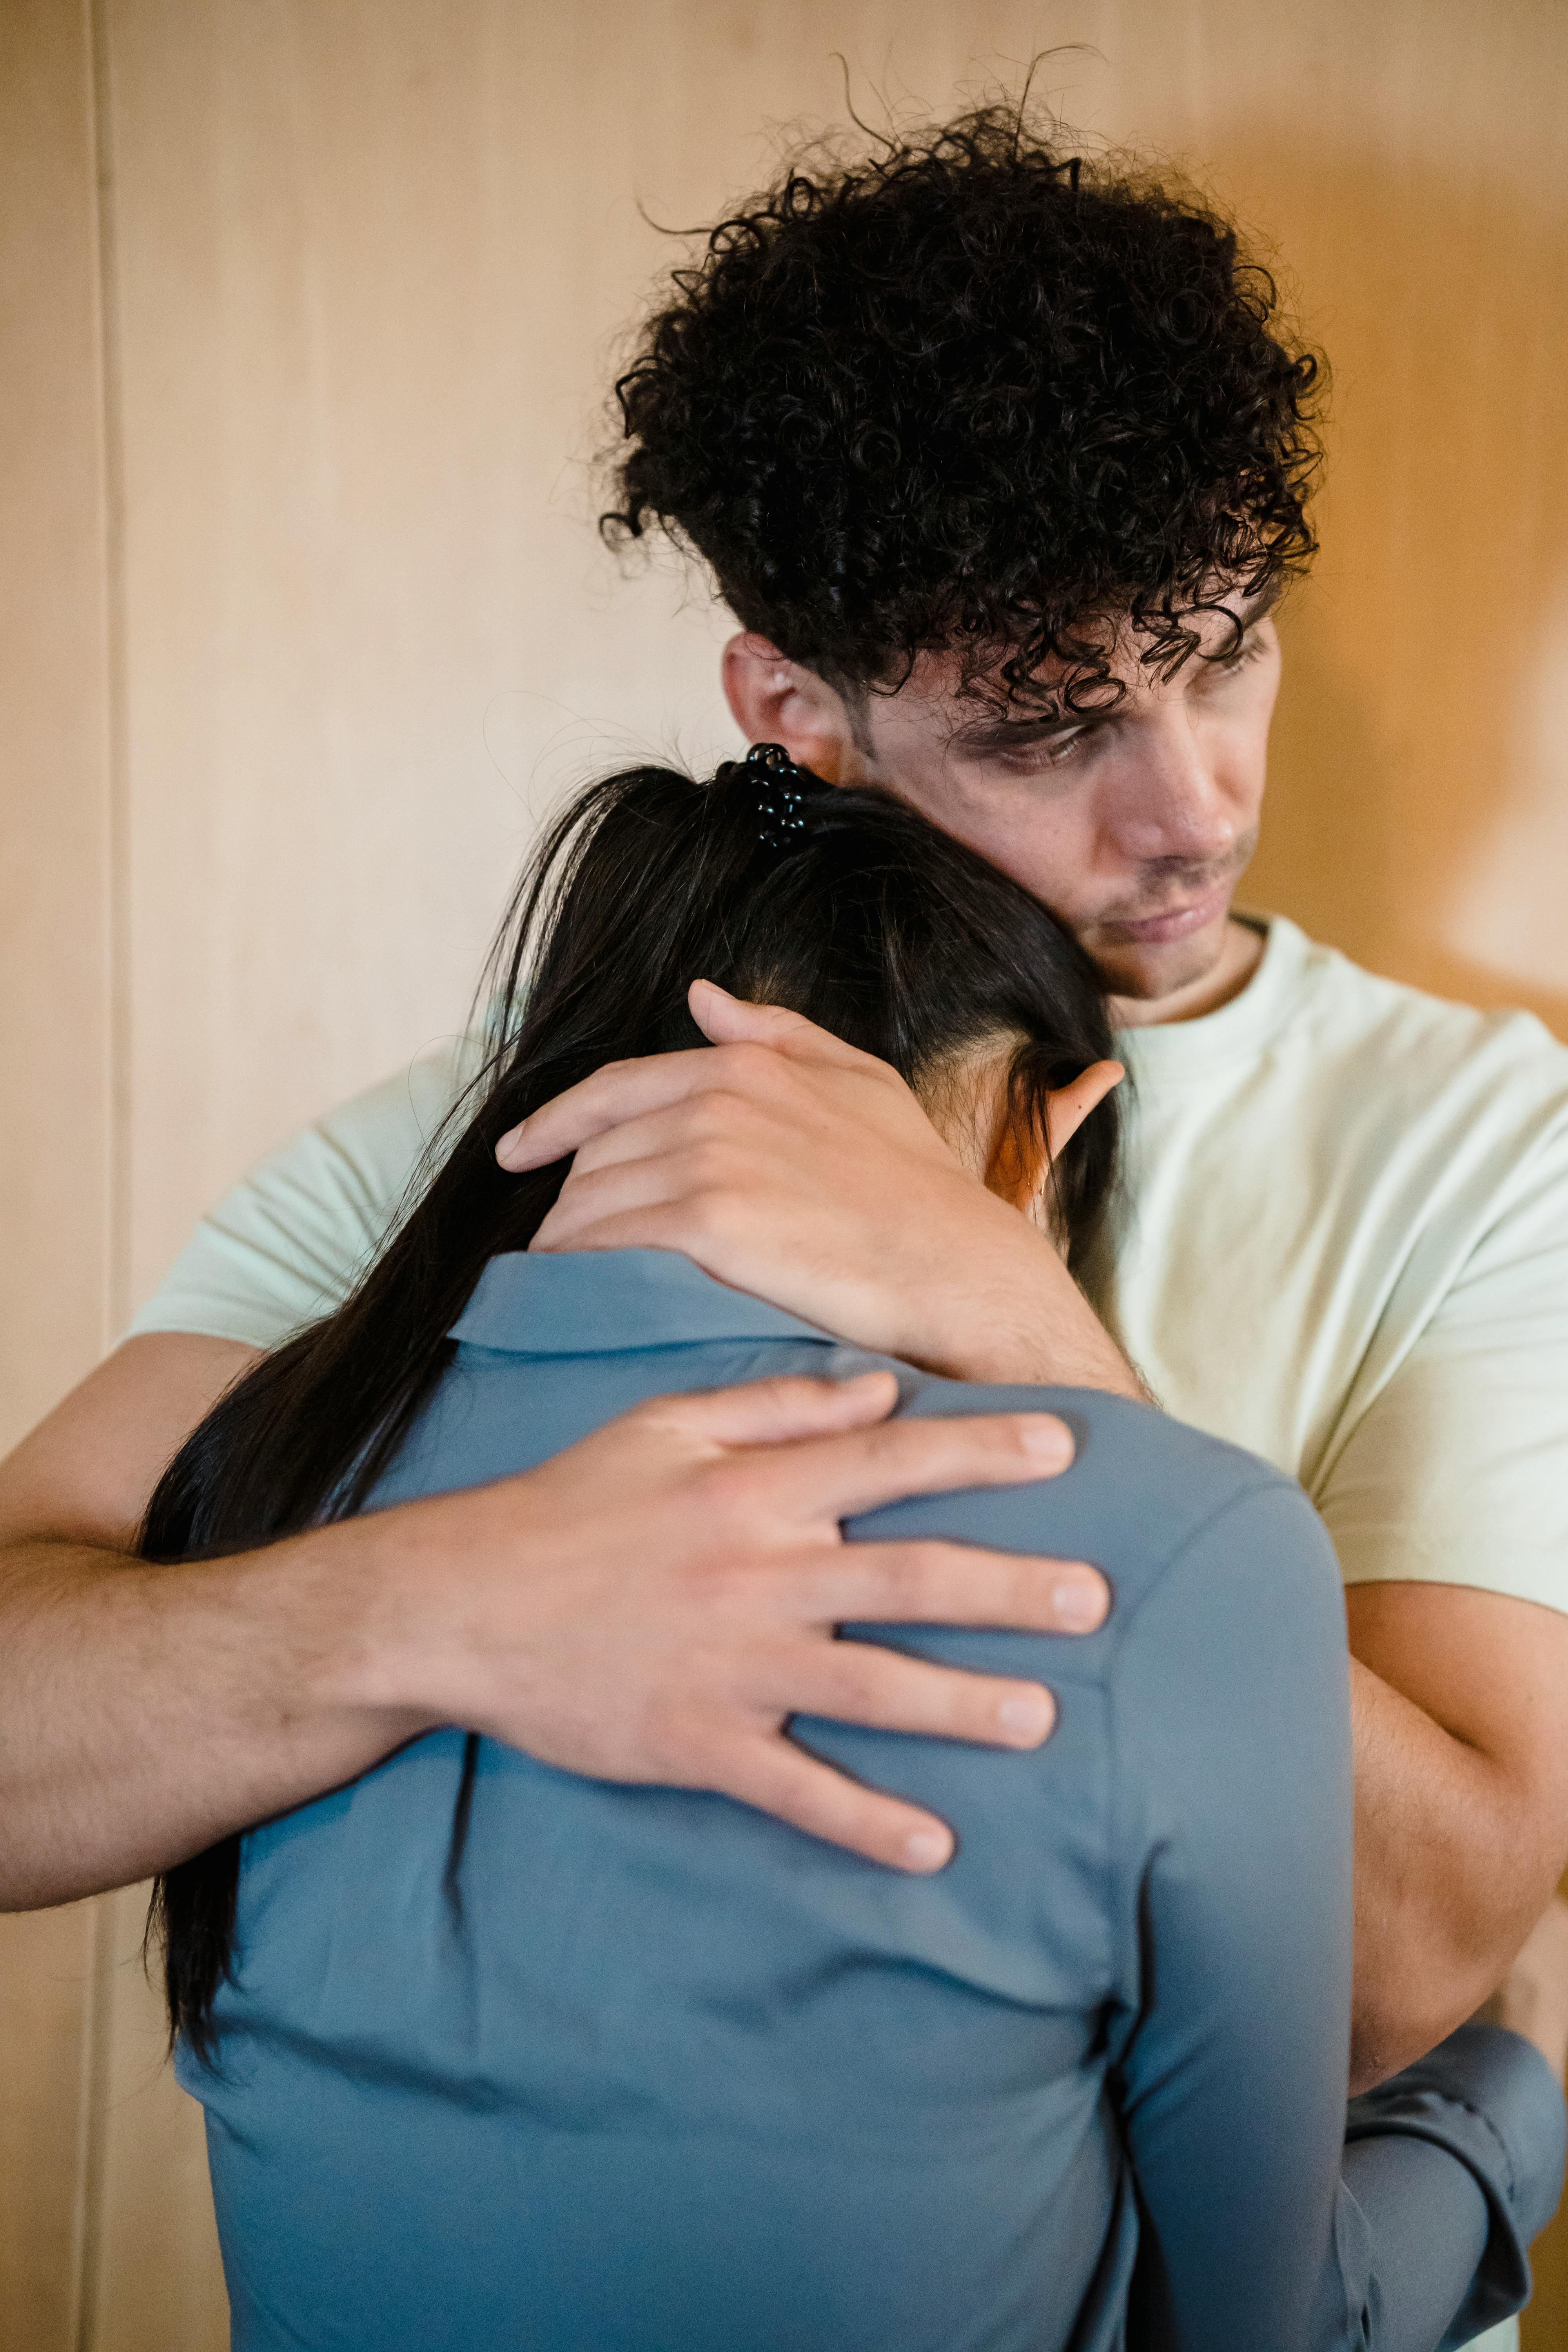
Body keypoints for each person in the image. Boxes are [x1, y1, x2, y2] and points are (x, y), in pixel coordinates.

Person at [2, 103, 1566, 2161]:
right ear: (792, 710)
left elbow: (1422, 1956)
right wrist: (441, 1604)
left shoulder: (1481, 1133)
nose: (1191, 806)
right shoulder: (519, 1122)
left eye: (1227, 652)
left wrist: (1023, 1327)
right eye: (1050, 723)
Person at [148, 753, 1566, 2351]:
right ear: (1052, 1131)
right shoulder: (1183, 1549)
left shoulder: (256, 1475)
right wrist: (1511, 2093)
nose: (1194, 802)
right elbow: (1271, 2324)